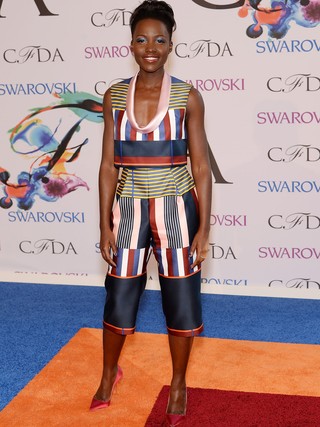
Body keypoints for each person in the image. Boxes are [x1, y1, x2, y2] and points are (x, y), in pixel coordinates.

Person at [91, 1, 212, 425]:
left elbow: (201, 167)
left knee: (180, 298)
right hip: (128, 210)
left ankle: (178, 382)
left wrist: (204, 230)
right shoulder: (114, 96)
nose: (150, 47)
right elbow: (108, 164)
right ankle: (109, 373)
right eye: (142, 39)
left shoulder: (187, 96)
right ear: (131, 44)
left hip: (177, 210)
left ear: (171, 44)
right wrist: (104, 222)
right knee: (119, 294)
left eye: (159, 40)